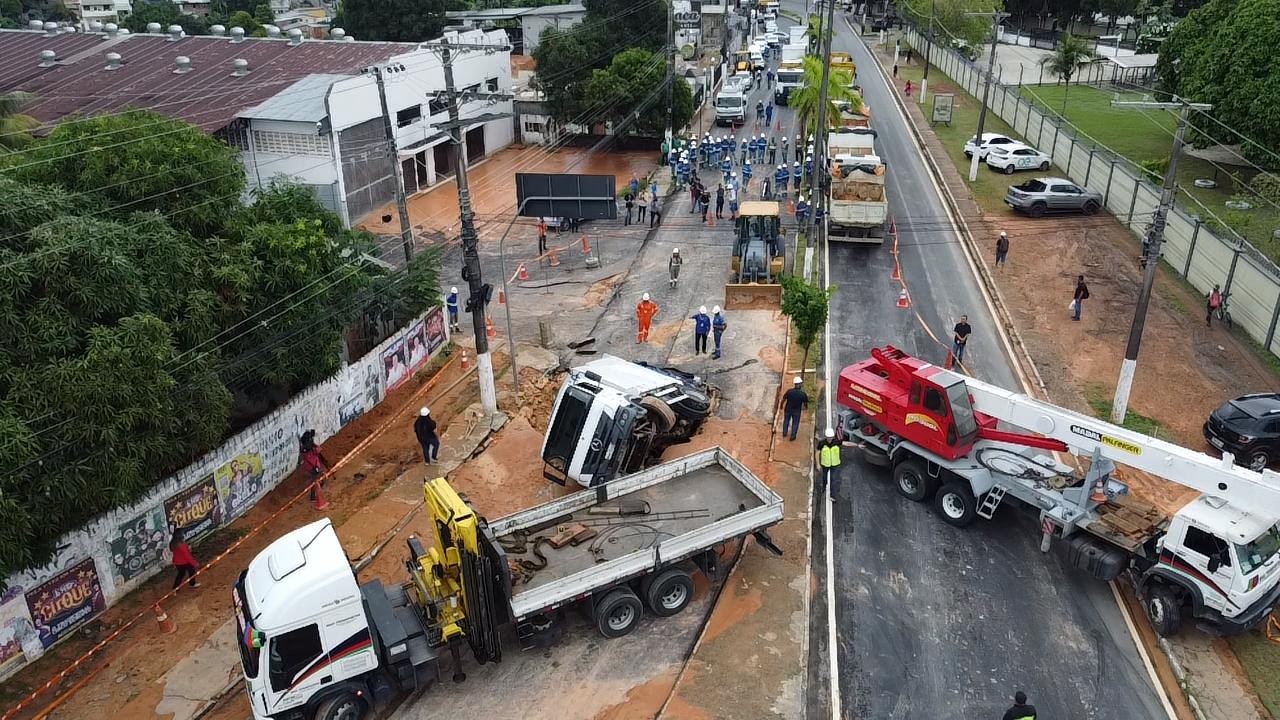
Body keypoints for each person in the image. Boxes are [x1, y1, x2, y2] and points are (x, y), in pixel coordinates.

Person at [299, 429, 329, 501]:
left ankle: (315, 493)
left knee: (316, 480)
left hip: (313, 466)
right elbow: (317, 454)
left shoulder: (308, 448)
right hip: (312, 467)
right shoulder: (307, 450)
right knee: (317, 479)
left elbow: (318, 453)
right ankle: (314, 495)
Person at [781, 376, 808, 441]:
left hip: (788, 409)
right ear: (800, 384)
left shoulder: (789, 391)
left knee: (786, 421)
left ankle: (784, 433)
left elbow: (784, 399)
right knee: (795, 423)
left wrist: (781, 406)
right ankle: (793, 436)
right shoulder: (802, 394)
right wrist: (806, 408)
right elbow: (805, 403)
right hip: (796, 411)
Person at [819, 428, 842, 501]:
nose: (829, 439)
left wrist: (857, 445)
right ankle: (824, 487)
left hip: (835, 464)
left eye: (831, 437)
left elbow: (846, 443)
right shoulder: (822, 443)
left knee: (833, 479)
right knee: (824, 477)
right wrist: (817, 464)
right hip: (825, 464)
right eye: (828, 437)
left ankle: (833, 496)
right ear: (826, 437)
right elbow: (817, 452)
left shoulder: (836, 442)